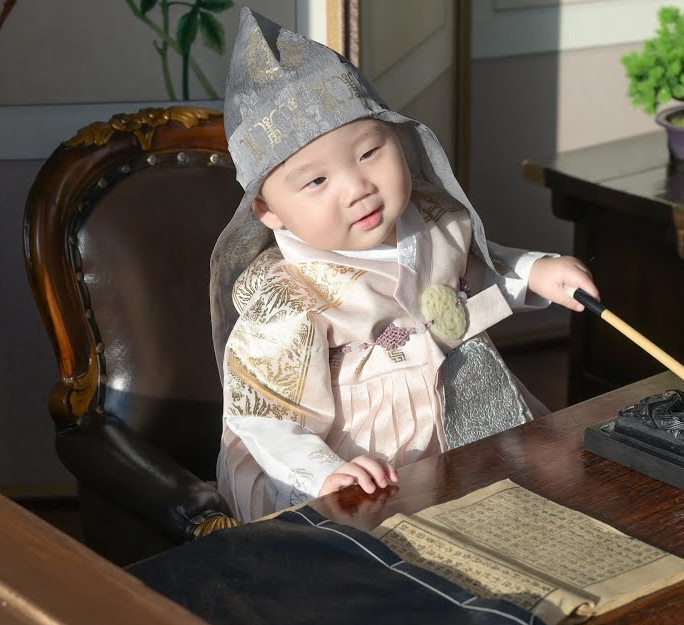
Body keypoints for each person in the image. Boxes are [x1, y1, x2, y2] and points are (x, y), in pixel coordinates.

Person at [209, 9, 600, 521]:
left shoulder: (437, 219)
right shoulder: (290, 295)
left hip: (469, 414)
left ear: (402, 141)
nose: (357, 188)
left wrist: (533, 272)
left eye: (370, 151)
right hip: (362, 460)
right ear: (270, 212)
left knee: (524, 506)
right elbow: (259, 414)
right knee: (402, 547)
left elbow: (478, 271)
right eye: (317, 182)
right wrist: (323, 471)